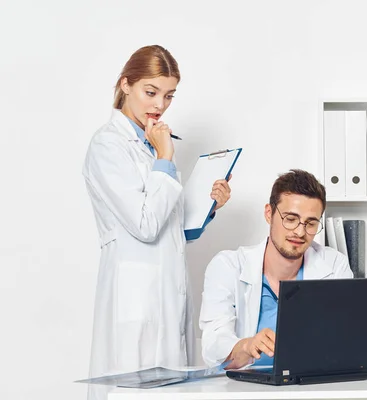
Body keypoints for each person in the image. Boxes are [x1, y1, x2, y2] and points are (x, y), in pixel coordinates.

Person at [82, 45, 232, 399]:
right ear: (125, 84)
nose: (160, 105)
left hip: (168, 294)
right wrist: (165, 156)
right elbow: (145, 224)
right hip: (134, 297)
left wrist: (209, 209)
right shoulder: (108, 145)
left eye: (168, 96)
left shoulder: (152, 146)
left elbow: (171, 232)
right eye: (151, 92)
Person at [198, 169, 353, 369]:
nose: (299, 231)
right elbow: (212, 347)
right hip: (244, 390)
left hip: (309, 387)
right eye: (290, 219)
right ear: (269, 214)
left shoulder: (334, 266)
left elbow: (345, 339)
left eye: (311, 223)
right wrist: (247, 345)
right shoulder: (228, 266)